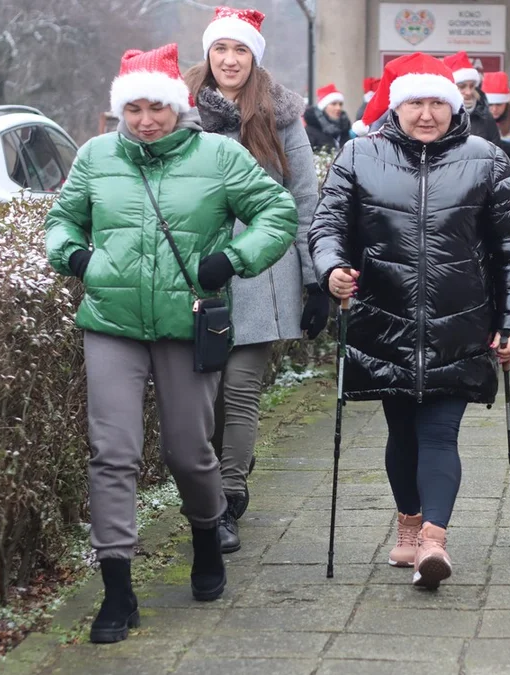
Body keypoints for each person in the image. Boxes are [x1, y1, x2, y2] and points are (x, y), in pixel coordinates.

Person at [45, 43, 297, 643]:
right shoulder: (96, 156)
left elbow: (278, 213)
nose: (145, 120)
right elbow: (61, 219)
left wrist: (232, 259)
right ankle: (117, 589)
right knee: (113, 452)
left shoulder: (219, 154)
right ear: (120, 111)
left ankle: (207, 535)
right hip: (111, 322)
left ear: (178, 107)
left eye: (157, 108)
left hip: (188, 324)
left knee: (189, 452)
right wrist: (76, 256)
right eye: (133, 109)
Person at [309, 52, 510, 590]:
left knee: (439, 431)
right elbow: (328, 225)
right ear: (396, 105)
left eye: (437, 102)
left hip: (461, 320)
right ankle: (408, 523)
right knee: (401, 430)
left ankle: (434, 540)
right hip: (385, 319)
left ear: (455, 107)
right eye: (415, 102)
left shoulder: (486, 157)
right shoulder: (359, 154)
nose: (426, 113)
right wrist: (332, 269)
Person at [189, 6, 325, 553]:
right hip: (198, 272)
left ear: (254, 57)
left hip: (264, 269)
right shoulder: (182, 111)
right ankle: (216, 481)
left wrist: (315, 280)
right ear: (209, 54)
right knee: (207, 397)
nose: (229, 59)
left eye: (240, 50)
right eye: (220, 49)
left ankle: (227, 498)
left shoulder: (281, 113)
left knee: (241, 391)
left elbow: (306, 197)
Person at [443, 51, 501, 145]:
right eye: (462, 86)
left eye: (472, 86)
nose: (469, 92)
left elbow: (497, 154)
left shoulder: (485, 116)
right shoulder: (437, 116)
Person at [483, 71, 510, 160]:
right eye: (490, 105)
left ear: (506, 104)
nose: (494, 109)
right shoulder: (477, 121)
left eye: (499, 104)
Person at [304, 82, 352, 151]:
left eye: (340, 104)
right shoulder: (310, 131)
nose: (338, 108)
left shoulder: (345, 130)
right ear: (323, 107)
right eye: (333, 104)